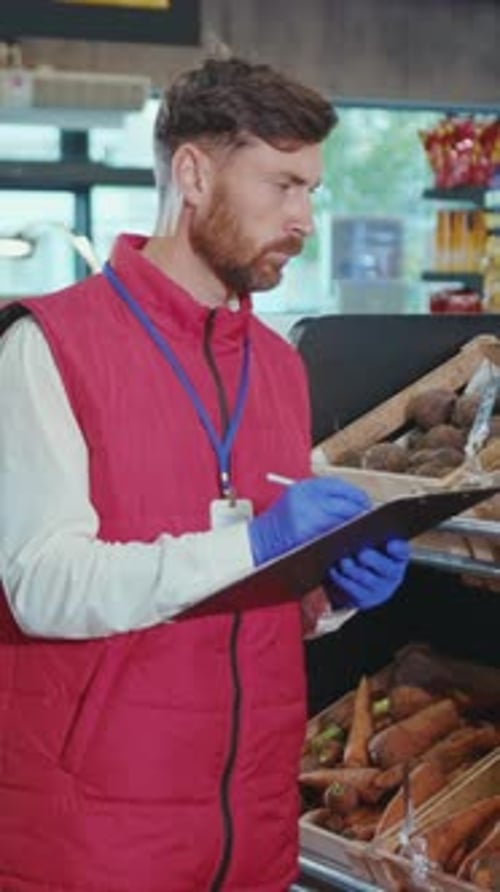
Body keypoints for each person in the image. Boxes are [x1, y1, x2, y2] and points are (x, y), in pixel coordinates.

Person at [0, 57, 409, 892]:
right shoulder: (45, 347)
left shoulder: (276, 363)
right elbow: (41, 584)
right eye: (282, 184)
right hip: (94, 847)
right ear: (192, 173)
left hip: (252, 837)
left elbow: (247, 597)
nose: (303, 218)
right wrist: (256, 541)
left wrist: (328, 592)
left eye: (312, 192)